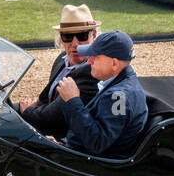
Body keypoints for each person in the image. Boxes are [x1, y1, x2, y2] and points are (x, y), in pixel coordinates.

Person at [12, 5, 102, 138]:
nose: (75, 43)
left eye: (82, 36)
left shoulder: (92, 72)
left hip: (59, 136)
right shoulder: (61, 59)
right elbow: (46, 99)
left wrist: (28, 111)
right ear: (61, 37)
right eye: (68, 36)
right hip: (43, 119)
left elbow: (54, 116)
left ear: (93, 35)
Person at [55, 31, 148, 159]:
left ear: (114, 64)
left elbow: (97, 142)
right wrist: (63, 143)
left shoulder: (118, 97)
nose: (90, 60)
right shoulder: (121, 81)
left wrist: (73, 100)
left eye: (96, 56)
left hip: (98, 166)